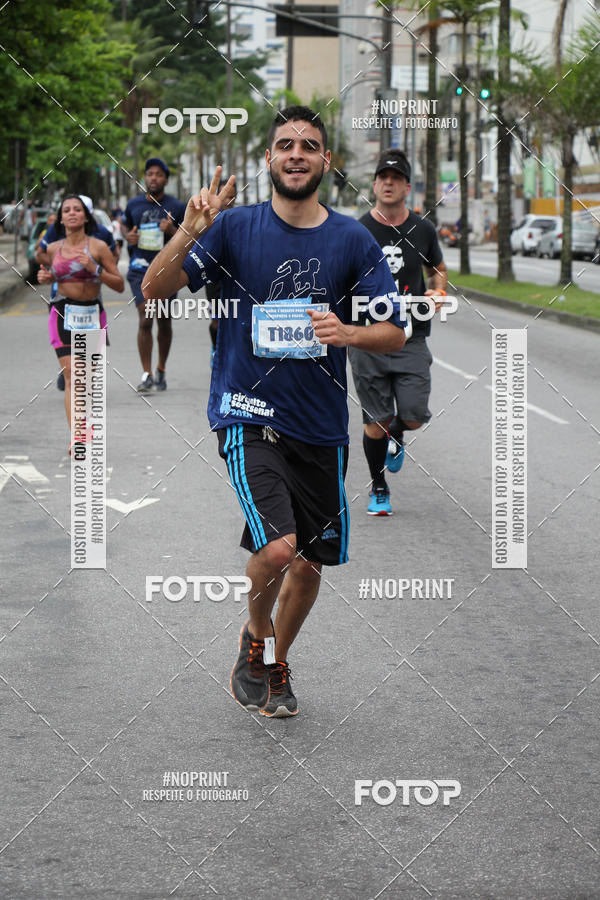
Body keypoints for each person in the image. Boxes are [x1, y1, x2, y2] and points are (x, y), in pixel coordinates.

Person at [143, 106, 406, 717]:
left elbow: (394, 331)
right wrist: (190, 228)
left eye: (308, 145)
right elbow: (154, 290)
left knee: (311, 568)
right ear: (269, 158)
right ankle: (255, 639)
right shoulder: (233, 229)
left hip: (319, 426)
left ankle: (273, 663)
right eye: (284, 144)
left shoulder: (351, 238)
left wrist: (348, 332)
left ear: (325, 161)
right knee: (280, 549)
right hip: (246, 411)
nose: (295, 154)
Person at [349, 149, 447, 516]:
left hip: (411, 335)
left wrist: (438, 291)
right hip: (368, 337)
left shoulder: (423, 229)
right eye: (382, 178)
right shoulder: (358, 229)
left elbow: (438, 269)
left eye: (396, 178)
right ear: (374, 185)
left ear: (407, 187)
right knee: (374, 422)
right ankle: (378, 487)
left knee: (415, 414)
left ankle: (399, 432)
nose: (388, 183)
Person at [37, 194, 124, 451]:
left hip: (91, 314)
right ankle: (77, 435)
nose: (72, 213)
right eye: (67, 210)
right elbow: (52, 275)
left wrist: (94, 268)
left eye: (77, 209)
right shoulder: (54, 249)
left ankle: (83, 424)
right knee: (72, 376)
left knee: (85, 379)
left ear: (86, 216)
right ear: (61, 217)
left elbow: (119, 284)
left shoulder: (97, 247)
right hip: (63, 313)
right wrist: (46, 277)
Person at [122, 158, 186, 392]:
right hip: (140, 269)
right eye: (149, 174)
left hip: (167, 271)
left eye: (158, 174)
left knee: (164, 321)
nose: (153, 178)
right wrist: (128, 236)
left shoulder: (177, 207)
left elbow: (188, 237)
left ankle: (160, 368)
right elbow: (125, 226)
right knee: (146, 318)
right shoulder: (133, 205)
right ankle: (147, 373)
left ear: (166, 180)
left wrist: (172, 231)